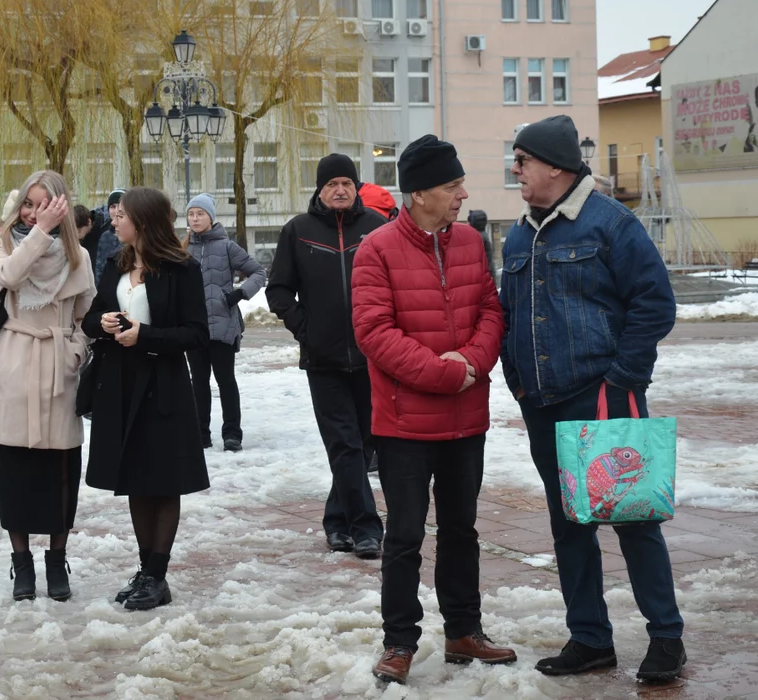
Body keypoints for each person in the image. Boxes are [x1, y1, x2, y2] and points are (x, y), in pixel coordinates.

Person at [502, 115, 686, 681]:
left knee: (632, 517)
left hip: (601, 396)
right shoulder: (517, 233)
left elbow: (655, 304)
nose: (516, 170)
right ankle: (590, 638)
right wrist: (516, 379)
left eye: (523, 160)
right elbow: (509, 312)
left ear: (555, 165)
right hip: (543, 403)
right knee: (568, 523)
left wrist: (623, 378)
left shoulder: (611, 224)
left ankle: (666, 638)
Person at [351, 136, 516, 685]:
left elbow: (491, 310)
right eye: (452, 186)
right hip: (403, 423)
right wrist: (446, 373)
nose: (462, 195)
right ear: (418, 193)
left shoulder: (470, 241)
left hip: (466, 417)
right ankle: (398, 642)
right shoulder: (376, 249)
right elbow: (375, 332)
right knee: (404, 536)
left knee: (462, 528)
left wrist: (470, 362)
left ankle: (463, 631)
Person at [83, 187, 210, 611]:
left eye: (121, 215)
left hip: (164, 382)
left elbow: (196, 332)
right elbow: (90, 318)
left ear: (144, 221)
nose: (114, 221)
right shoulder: (114, 264)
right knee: (136, 479)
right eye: (114, 215)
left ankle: (158, 573)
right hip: (119, 383)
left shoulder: (181, 269)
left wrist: (147, 336)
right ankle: (146, 571)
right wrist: (100, 322)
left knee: (163, 481)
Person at [0, 170, 96, 602]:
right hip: (12, 364)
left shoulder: (78, 255)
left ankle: (56, 561)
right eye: (28, 202)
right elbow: (7, 277)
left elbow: (84, 316)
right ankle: (21, 563)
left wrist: (75, 350)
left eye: (44, 204)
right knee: (13, 471)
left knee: (61, 474)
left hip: (57, 366)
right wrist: (39, 232)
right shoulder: (0, 244)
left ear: (61, 205)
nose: (33, 211)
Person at [265, 153, 386, 559]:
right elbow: (278, 290)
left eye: (346, 184)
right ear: (319, 189)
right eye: (331, 184)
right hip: (324, 360)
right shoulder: (298, 230)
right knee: (345, 445)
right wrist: (306, 329)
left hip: (373, 358)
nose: (339, 190)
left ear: (357, 189)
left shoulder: (377, 229)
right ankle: (366, 528)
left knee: (364, 444)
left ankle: (337, 521)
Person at [181, 193, 265, 452]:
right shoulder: (183, 248)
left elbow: (258, 272)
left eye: (200, 214)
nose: (195, 219)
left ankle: (232, 434)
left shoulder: (227, 247)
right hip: (193, 327)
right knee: (198, 381)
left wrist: (240, 293)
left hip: (223, 324)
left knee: (225, 380)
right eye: (191, 214)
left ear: (211, 218)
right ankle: (199, 433)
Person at [93, 188, 126, 284]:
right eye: (112, 206)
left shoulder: (133, 235)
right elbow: (99, 268)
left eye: (119, 206)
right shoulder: (105, 236)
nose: (116, 211)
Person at [467, 210, 497, 280]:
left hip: (482, 279)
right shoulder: (482, 236)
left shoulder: (478, 238)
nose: (467, 224)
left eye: (469, 221)